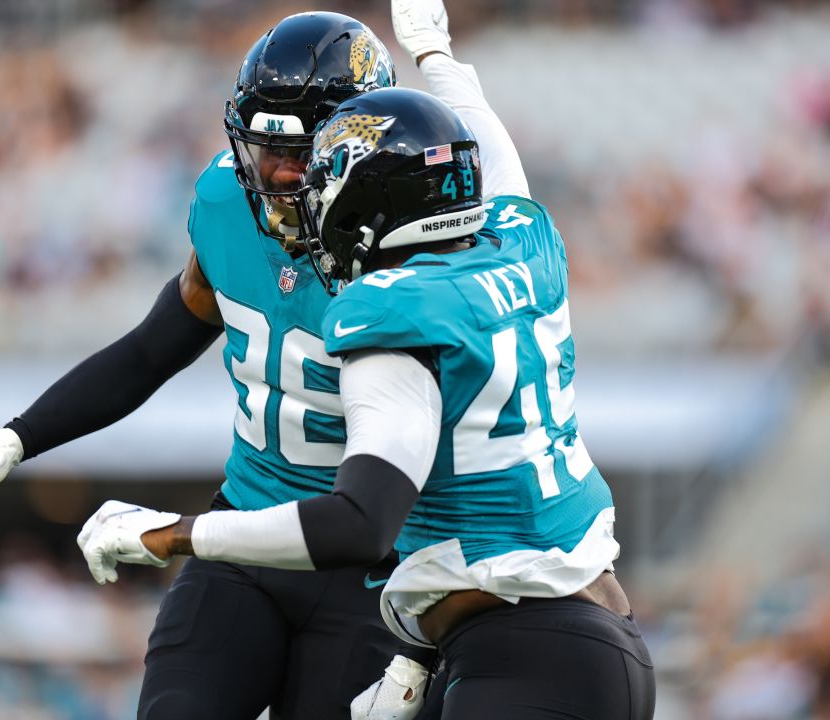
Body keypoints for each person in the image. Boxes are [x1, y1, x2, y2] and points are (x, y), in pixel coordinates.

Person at [77, 2, 657, 718]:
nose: (310, 207)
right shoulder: (522, 236)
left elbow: (356, 523)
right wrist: (434, 56)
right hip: (589, 630)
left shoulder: (389, 311)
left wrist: (172, 534)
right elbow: (487, 141)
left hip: (517, 653)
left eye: (326, 188)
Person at [0, 11, 438, 720]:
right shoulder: (225, 204)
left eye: (300, 152)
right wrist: (14, 437)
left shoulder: (420, 248)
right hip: (248, 528)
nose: (277, 174)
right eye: (264, 148)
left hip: (379, 566)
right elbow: (155, 347)